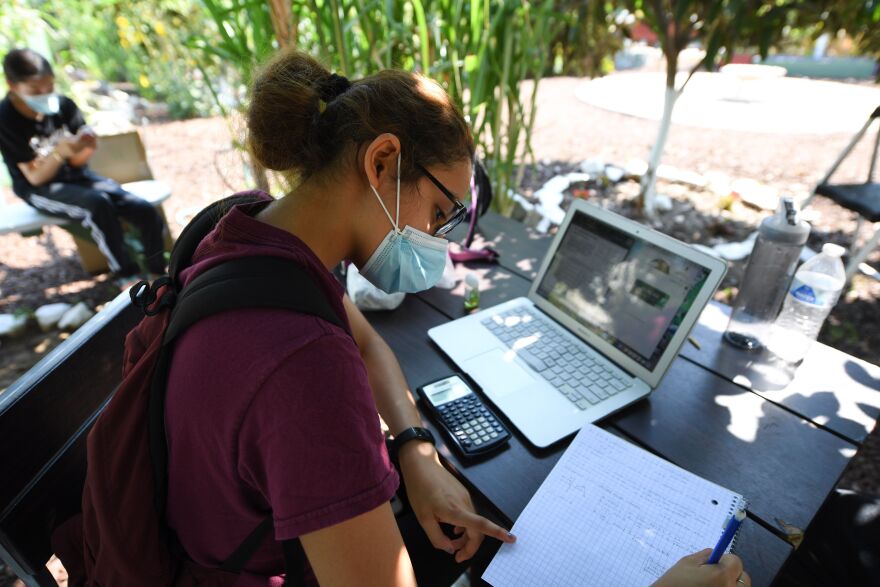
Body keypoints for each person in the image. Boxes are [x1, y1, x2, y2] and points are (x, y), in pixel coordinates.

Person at [162, 48, 751, 587]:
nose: (445, 242)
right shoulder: (305, 369)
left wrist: (417, 451)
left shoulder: (257, 233)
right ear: (383, 160)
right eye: (444, 213)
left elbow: (367, 345)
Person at [0, 48, 166, 280]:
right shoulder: (5, 118)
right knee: (98, 205)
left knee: (144, 210)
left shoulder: (63, 105)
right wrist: (60, 153)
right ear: (13, 85)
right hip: (38, 189)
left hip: (77, 177)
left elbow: (78, 162)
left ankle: (159, 272)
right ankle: (126, 277)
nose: (45, 93)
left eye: (49, 86)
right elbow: (35, 178)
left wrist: (86, 146)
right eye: (35, 89)